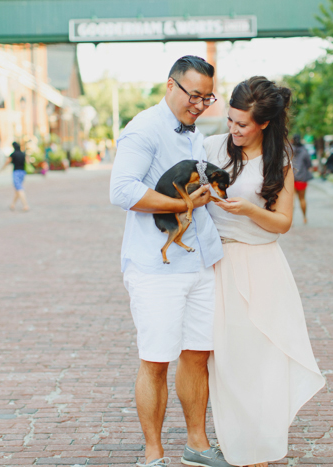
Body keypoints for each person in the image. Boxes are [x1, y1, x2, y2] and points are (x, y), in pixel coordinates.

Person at [109, 56, 233, 467]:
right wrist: (181, 202)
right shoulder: (144, 128)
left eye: (207, 97)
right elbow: (122, 191)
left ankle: (197, 445)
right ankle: (153, 455)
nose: (199, 105)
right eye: (193, 95)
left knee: (198, 355)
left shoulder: (196, 135)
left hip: (200, 262)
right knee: (157, 360)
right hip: (155, 269)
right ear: (170, 85)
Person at [204, 76, 325, 467]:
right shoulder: (210, 148)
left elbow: (283, 223)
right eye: (231, 120)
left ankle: (259, 445)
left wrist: (250, 210)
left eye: (242, 124)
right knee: (226, 359)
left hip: (262, 264)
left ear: (264, 124)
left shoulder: (280, 161)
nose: (233, 130)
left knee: (261, 357)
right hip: (218, 264)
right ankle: (235, 439)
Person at [0, 142, 30, 211]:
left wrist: (2, 169)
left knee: (19, 189)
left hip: (16, 172)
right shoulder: (23, 154)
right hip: (23, 172)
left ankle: (25, 205)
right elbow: (28, 162)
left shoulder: (13, 154)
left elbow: (7, 162)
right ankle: (12, 204)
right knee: (17, 189)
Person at [291, 134, 312, 224]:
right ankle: (304, 218)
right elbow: (309, 165)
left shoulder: (289, 150)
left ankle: (291, 221)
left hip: (291, 178)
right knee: (302, 199)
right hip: (302, 178)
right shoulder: (304, 151)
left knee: (291, 200)